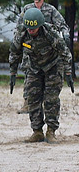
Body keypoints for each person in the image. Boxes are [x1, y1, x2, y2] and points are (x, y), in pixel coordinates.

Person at [9, 8, 72, 143]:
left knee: (51, 99)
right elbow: (14, 53)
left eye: (34, 28)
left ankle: (51, 131)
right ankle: (37, 131)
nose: (31, 31)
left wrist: (68, 72)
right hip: (34, 67)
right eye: (29, 28)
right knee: (32, 98)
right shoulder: (21, 33)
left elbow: (65, 53)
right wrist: (13, 73)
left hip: (53, 66)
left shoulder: (50, 33)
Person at [14, 0, 69, 113]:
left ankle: (48, 102)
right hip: (30, 47)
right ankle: (27, 101)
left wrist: (64, 35)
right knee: (29, 73)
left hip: (47, 49)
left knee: (50, 77)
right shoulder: (27, 9)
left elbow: (62, 25)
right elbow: (19, 26)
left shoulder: (50, 10)